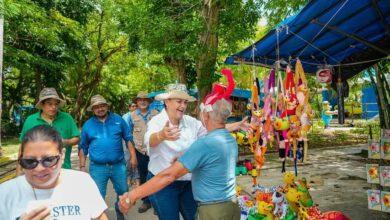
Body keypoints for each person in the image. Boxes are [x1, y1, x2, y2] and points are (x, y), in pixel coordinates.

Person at [119, 98, 241, 220]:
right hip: (227, 203)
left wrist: (132, 195)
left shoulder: (200, 137)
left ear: (206, 114)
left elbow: (169, 175)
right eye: (179, 101)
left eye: (185, 102)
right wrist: (161, 135)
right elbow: (148, 141)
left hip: (203, 200)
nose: (183, 105)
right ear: (167, 102)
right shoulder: (229, 140)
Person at [0, 125, 107, 220]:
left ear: (62, 156)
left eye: (48, 160)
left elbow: (99, 216)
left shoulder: (82, 182)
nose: (39, 168)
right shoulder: (5, 193)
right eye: (29, 161)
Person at [79, 95, 137, 220]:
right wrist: (82, 166)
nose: (100, 109)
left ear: (107, 106)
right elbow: (82, 147)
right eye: (97, 107)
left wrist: (133, 156)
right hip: (97, 168)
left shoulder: (118, 120)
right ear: (93, 109)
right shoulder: (88, 125)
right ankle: (99, 217)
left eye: (102, 106)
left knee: (123, 193)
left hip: (118, 165)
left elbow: (128, 138)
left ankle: (120, 214)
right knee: (97, 196)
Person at [18, 87, 80, 173]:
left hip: (63, 169)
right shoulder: (30, 120)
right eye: (49, 104)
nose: (54, 107)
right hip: (36, 170)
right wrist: (19, 170)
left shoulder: (67, 118)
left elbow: (77, 138)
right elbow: (22, 146)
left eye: (56, 104)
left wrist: (65, 142)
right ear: (42, 105)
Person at [122, 91, 159, 213]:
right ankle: (146, 201)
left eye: (145, 99)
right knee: (143, 176)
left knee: (156, 175)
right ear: (136, 102)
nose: (142, 101)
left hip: (155, 150)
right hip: (139, 151)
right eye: (139, 100)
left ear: (149, 102)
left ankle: (157, 202)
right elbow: (128, 136)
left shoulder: (156, 114)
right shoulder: (130, 116)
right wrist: (131, 153)